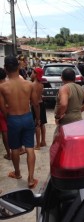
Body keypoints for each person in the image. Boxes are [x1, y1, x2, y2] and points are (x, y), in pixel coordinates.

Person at [0, 55, 40, 189]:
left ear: (5, 69)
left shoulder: (2, 87)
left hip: (13, 118)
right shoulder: (28, 84)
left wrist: (9, 118)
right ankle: (30, 178)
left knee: (15, 148)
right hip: (27, 117)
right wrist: (38, 119)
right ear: (18, 67)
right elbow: (35, 104)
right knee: (29, 148)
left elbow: (2, 108)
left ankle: (17, 173)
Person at [31, 67, 47, 150]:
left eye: (32, 72)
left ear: (36, 74)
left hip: (35, 106)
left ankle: (37, 145)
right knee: (42, 124)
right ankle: (43, 141)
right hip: (41, 104)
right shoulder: (41, 85)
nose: (31, 74)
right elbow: (40, 95)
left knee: (37, 124)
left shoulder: (32, 85)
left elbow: (33, 99)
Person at [0, 68, 10, 160]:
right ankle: (17, 149)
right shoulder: (9, 85)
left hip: (2, 112)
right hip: (12, 110)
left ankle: (9, 153)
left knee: (5, 132)